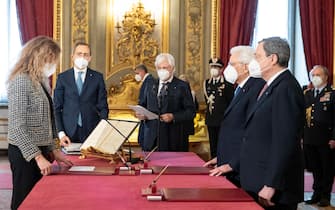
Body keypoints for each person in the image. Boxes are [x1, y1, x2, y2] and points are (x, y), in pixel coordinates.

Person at [7, 36, 73, 210]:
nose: (53, 65)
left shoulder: (41, 80)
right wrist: (38, 157)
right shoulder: (21, 81)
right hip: (25, 153)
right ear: (38, 57)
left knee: (39, 200)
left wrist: (54, 150)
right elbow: (17, 128)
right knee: (24, 200)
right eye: (50, 60)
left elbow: (47, 120)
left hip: (42, 150)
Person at [239, 37, 305, 210]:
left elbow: (285, 140)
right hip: (259, 178)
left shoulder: (286, 88)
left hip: (275, 188)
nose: (254, 62)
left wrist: (271, 184)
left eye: (258, 56)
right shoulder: (271, 85)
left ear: (273, 59)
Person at [203, 46, 265, 188]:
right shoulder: (241, 88)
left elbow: (252, 134)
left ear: (245, 67)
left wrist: (233, 163)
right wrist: (223, 157)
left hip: (242, 168)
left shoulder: (256, 88)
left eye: (232, 65)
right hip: (232, 163)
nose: (227, 69)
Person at [135, 53, 196, 151]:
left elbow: (190, 112)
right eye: (159, 68)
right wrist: (140, 114)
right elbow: (142, 104)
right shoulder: (150, 84)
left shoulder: (182, 86)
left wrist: (173, 116)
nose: (162, 70)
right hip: (151, 137)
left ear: (172, 68)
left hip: (172, 138)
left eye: (165, 67)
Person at [54, 42, 109, 145]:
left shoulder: (98, 78)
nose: (82, 57)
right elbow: (56, 108)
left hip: (92, 132)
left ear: (90, 58)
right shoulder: (63, 78)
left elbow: (103, 107)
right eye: (79, 54)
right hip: (68, 133)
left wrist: (101, 131)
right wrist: (61, 134)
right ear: (72, 56)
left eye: (86, 54)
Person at [303, 65, 335, 207]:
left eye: (318, 74)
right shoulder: (308, 94)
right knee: (315, 168)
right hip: (310, 137)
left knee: (327, 169)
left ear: (326, 77)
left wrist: (334, 137)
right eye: (313, 74)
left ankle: (325, 196)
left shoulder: (332, 93)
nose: (315, 77)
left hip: (326, 138)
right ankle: (316, 195)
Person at [203, 58, 234, 158]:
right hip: (211, 119)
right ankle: (213, 161)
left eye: (216, 67)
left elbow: (230, 103)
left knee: (222, 144)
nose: (214, 69)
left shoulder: (227, 85)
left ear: (221, 69)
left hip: (222, 120)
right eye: (212, 67)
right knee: (212, 144)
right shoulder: (206, 83)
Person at [134, 64, 155, 148]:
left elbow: (150, 101)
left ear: (142, 72)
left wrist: (142, 111)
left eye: (137, 73)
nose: (136, 76)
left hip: (149, 120)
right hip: (145, 119)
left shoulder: (149, 81)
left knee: (147, 147)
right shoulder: (147, 81)